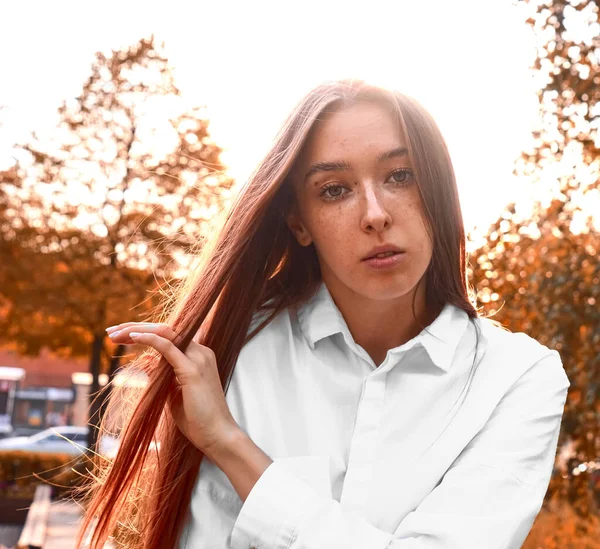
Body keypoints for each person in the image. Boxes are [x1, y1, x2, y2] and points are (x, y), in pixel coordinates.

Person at [78, 79, 570, 549]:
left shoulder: (519, 378)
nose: (375, 213)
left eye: (401, 176)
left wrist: (230, 444)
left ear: (437, 193)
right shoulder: (231, 352)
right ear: (299, 222)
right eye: (334, 189)